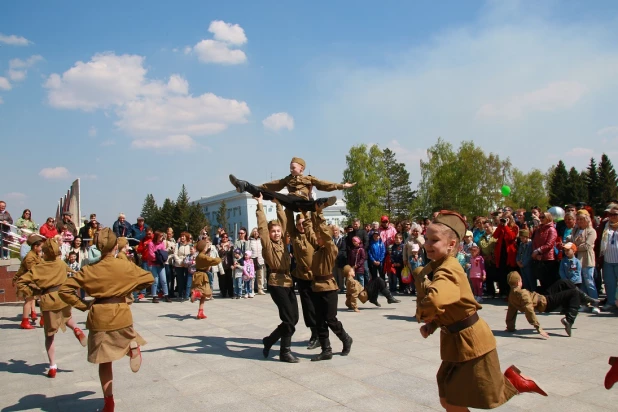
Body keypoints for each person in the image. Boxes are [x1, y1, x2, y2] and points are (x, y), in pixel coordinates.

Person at [413, 210, 546, 410]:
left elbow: (435, 301)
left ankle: (515, 381)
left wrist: (421, 314)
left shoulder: (447, 269)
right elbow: (449, 307)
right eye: (427, 239)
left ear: (451, 245)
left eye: (434, 240)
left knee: (487, 395)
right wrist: (432, 325)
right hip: (456, 343)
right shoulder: (439, 265)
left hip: (471, 344)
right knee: (448, 398)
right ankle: (512, 380)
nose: (427, 244)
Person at [59, 228, 154, 412]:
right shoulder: (124, 265)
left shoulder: (89, 269)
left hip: (99, 315)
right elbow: (149, 278)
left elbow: (65, 290)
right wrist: (128, 288)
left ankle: (108, 402)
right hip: (122, 313)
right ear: (115, 247)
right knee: (125, 336)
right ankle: (132, 346)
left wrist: (82, 305)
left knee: (104, 362)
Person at [16, 238, 88, 378]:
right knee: (67, 317)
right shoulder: (61, 264)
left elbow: (21, 282)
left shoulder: (39, 267)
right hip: (63, 297)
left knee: (49, 335)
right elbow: (74, 273)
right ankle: (77, 329)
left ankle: (52, 366)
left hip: (48, 299)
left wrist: (34, 292)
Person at [303, 205, 353, 361]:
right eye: (318, 236)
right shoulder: (318, 248)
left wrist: (320, 213)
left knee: (330, 319)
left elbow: (324, 232)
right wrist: (306, 216)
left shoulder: (331, 248)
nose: (317, 238)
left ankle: (346, 339)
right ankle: (326, 350)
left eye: (320, 236)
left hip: (329, 288)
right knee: (319, 320)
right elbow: (310, 233)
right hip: (316, 287)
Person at [256, 194, 299, 363]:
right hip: (276, 282)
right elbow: (262, 228)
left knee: (294, 318)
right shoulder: (268, 244)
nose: (275, 233)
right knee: (288, 319)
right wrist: (260, 204)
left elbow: (284, 222)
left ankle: (269, 340)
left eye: (278, 231)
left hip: (288, 282)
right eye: (273, 231)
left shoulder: (283, 242)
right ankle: (284, 352)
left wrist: (278, 205)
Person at [230, 157, 356, 211]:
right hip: (290, 200)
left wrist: (342, 186)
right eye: (290, 167)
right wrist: (256, 189)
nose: (291, 170)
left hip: (303, 201)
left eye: (293, 167)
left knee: (310, 204)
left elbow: (324, 184)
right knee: (270, 194)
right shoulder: (287, 179)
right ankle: (244, 185)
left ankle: (325, 202)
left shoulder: (309, 178)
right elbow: (272, 185)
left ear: (301, 168)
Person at [505, 271, 598, 338]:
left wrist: (510, 327)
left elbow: (511, 312)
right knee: (573, 293)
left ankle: (586, 298)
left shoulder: (511, 295)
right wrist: (539, 328)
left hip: (542, 297)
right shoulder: (523, 293)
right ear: (518, 282)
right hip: (547, 303)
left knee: (563, 282)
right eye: (521, 280)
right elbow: (529, 310)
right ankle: (569, 320)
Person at [284, 207, 319, 350]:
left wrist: (305, 209)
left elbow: (313, 220)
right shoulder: (294, 235)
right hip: (302, 276)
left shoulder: (313, 234)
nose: (301, 226)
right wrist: (288, 206)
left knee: (318, 307)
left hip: (316, 276)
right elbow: (289, 221)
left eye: (303, 223)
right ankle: (314, 333)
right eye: (299, 224)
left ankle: (321, 334)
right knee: (307, 307)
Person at [13, 234, 44, 329]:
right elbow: (32, 270)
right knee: (29, 300)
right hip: (28, 281)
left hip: (34, 281)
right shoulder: (30, 257)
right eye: (40, 247)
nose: (41, 249)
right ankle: (25, 321)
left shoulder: (35, 255)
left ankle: (43, 319)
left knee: (42, 298)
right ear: (35, 247)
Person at [190, 239, 222, 319]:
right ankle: (196, 294)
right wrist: (219, 259)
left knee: (204, 295)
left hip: (198, 275)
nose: (207, 247)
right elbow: (213, 261)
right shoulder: (203, 256)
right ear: (204, 248)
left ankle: (200, 311)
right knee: (207, 293)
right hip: (202, 276)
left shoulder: (199, 256)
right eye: (206, 246)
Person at [573, 210, 598, 303]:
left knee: (589, 282)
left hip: (587, 259)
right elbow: (573, 241)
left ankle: (595, 302)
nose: (579, 221)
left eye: (581, 219)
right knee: (581, 283)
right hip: (577, 259)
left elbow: (587, 245)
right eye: (578, 219)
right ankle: (585, 303)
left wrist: (573, 247)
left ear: (587, 220)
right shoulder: (576, 230)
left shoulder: (591, 231)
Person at [493, 211, 519, 298]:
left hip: (510, 253)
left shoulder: (515, 227)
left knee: (510, 272)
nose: (504, 220)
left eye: (506, 218)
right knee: (502, 272)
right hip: (501, 253)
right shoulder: (501, 227)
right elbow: (495, 235)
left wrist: (506, 226)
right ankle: (503, 291)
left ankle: (510, 292)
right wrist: (501, 225)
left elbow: (512, 237)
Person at [531, 212, 558, 294]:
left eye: (543, 217)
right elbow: (534, 242)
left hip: (549, 258)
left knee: (549, 281)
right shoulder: (539, 229)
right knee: (542, 280)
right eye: (540, 217)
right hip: (539, 258)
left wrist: (538, 251)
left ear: (548, 218)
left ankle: (550, 299)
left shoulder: (552, 229)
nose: (541, 219)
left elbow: (549, 244)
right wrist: (536, 253)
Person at [598, 204, 618, 311]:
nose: (613, 216)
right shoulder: (605, 225)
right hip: (607, 259)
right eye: (610, 214)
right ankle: (611, 302)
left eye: (615, 214)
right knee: (609, 283)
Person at [173, 232, 191, 301]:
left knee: (187, 279)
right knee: (180, 280)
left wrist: (187, 262)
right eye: (181, 236)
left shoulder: (189, 245)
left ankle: (186, 293)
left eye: (184, 236)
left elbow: (191, 254)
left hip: (187, 265)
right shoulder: (177, 245)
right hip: (179, 265)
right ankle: (180, 293)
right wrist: (180, 262)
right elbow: (175, 254)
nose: (182, 237)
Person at [217, 233, 235, 298]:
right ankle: (223, 293)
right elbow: (219, 254)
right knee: (222, 280)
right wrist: (222, 247)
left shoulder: (231, 245)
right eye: (223, 237)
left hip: (229, 264)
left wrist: (227, 246)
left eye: (226, 237)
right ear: (221, 238)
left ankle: (231, 293)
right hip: (221, 265)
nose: (225, 238)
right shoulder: (218, 245)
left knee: (229, 279)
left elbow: (233, 253)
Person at [249, 227, 266, 295]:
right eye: (254, 231)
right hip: (252, 259)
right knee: (252, 276)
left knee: (260, 276)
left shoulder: (261, 240)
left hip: (260, 259)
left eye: (257, 231)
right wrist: (249, 258)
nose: (256, 233)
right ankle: (252, 290)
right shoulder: (250, 240)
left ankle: (260, 289)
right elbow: (248, 250)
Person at [331, 225, 347, 293]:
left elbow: (343, 249)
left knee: (341, 274)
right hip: (332, 260)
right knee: (334, 274)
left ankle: (341, 287)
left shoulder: (343, 239)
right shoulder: (330, 239)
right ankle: (335, 287)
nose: (335, 232)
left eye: (336, 230)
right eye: (334, 230)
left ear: (339, 231)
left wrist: (336, 255)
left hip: (340, 259)